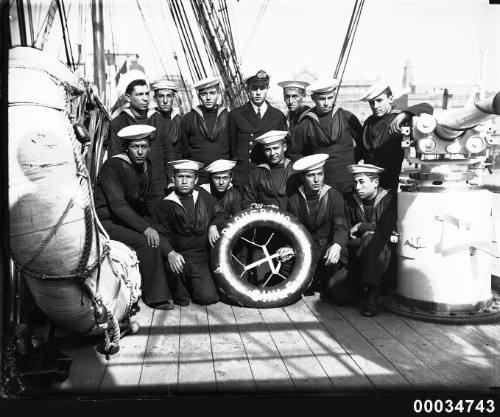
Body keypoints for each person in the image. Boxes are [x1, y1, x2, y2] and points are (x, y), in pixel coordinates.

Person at [94, 124, 174, 310]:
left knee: (164, 236)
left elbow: (148, 199)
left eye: (143, 147)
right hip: (107, 221)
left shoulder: (147, 165)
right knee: (148, 242)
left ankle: (174, 289)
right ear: (126, 148)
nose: (140, 152)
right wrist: (146, 228)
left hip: (130, 219)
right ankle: (156, 297)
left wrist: (158, 223)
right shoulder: (113, 165)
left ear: (149, 148)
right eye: (135, 147)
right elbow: (118, 205)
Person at [150, 160, 224, 306]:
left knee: (207, 297)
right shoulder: (165, 203)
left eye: (189, 177)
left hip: (200, 259)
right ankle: (181, 286)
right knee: (182, 300)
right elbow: (159, 234)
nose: (184, 181)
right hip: (179, 258)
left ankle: (195, 284)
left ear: (196, 180)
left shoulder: (204, 196)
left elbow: (220, 215)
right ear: (173, 179)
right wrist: (170, 253)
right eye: (180, 176)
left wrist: (213, 226)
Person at [277, 154, 349, 295]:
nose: (317, 180)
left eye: (320, 174)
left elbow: (341, 227)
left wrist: (337, 245)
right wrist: (288, 247)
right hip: (307, 249)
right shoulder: (295, 200)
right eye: (311, 175)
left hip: (328, 250)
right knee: (287, 274)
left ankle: (324, 281)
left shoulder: (334, 196)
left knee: (340, 296)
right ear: (303, 178)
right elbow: (292, 231)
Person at [289, 78, 363, 195]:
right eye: (322, 99)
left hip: (350, 181)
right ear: (313, 98)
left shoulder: (347, 117)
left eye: (330, 98)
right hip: (323, 185)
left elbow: (363, 143)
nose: (326, 103)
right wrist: (311, 167)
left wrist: (352, 161)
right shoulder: (305, 124)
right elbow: (293, 153)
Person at [357, 81, 433, 191]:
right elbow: (361, 151)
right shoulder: (368, 122)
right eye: (371, 103)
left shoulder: (399, 119)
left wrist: (403, 114)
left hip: (389, 183)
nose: (375, 106)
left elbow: (428, 108)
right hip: (369, 182)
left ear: (391, 99)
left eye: (379, 100)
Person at [343, 163, 397, 317]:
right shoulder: (349, 201)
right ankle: (364, 287)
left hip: (383, 255)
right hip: (356, 255)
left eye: (361, 182)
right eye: (355, 183)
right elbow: (346, 231)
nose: (357, 187)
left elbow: (386, 230)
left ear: (375, 182)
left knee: (370, 239)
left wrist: (362, 225)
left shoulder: (389, 200)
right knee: (339, 295)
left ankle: (371, 293)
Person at [228, 70, 287, 189]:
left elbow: (282, 149)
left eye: (262, 88)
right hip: (243, 177)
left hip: (269, 177)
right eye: (254, 88)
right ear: (247, 89)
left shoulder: (278, 116)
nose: (258, 93)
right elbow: (232, 148)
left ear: (267, 88)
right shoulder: (236, 115)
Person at [180, 77, 230, 184]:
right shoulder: (188, 118)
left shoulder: (228, 117)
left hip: (222, 175)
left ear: (218, 93)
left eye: (212, 93)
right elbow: (184, 150)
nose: (208, 98)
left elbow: (234, 148)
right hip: (199, 176)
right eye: (204, 94)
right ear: (199, 96)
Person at [241, 130, 298, 211]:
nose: (272, 153)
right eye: (268, 150)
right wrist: (256, 208)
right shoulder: (256, 173)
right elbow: (246, 204)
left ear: (284, 147)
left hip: (291, 220)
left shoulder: (295, 170)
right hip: (266, 220)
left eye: (276, 148)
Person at [147, 78, 183, 200]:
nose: (165, 101)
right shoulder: (149, 121)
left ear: (174, 97)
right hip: (157, 179)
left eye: (169, 96)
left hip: (179, 176)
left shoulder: (181, 121)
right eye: (161, 96)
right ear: (155, 98)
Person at [107, 71, 156, 157]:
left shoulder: (157, 119)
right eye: (139, 94)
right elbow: (114, 157)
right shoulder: (118, 123)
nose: (145, 98)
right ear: (128, 97)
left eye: (147, 94)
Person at [200, 159, 242, 224]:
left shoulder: (234, 193)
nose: (221, 182)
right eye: (217, 178)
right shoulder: (201, 193)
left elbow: (237, 219)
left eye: (225, 178)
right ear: (211, 178)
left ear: (231, 178)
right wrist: (212, 226)